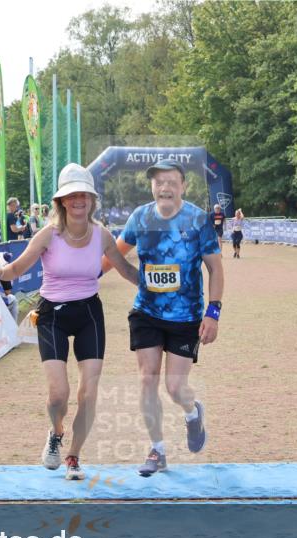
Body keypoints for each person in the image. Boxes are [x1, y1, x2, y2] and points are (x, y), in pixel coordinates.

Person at [0, 164, 138, 481]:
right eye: (72, 195)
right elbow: (14, 270)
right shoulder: (47, 236)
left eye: (84, 194)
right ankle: (56, 433)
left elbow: (126, 270)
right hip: (52, 315)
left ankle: (74, 456)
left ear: (91, 199)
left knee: (89, 393)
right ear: (62, 201)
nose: (78, 200)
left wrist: (158, 284)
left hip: (88, 315)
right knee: (59, 395)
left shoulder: (103, 236)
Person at [105, 159, 224, 477]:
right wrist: (127, 277)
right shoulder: (140, 218)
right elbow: (114, 254)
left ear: (183, 186)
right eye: (159, 182)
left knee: (174, 388)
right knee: (147, 378)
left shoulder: (198, 220)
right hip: (146, 312)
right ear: (152, 187)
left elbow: (215, 268)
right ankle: (157, 450)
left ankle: (192, 412)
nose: (165, 187)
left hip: (186, 317)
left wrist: (213, 313)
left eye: (172, 181)